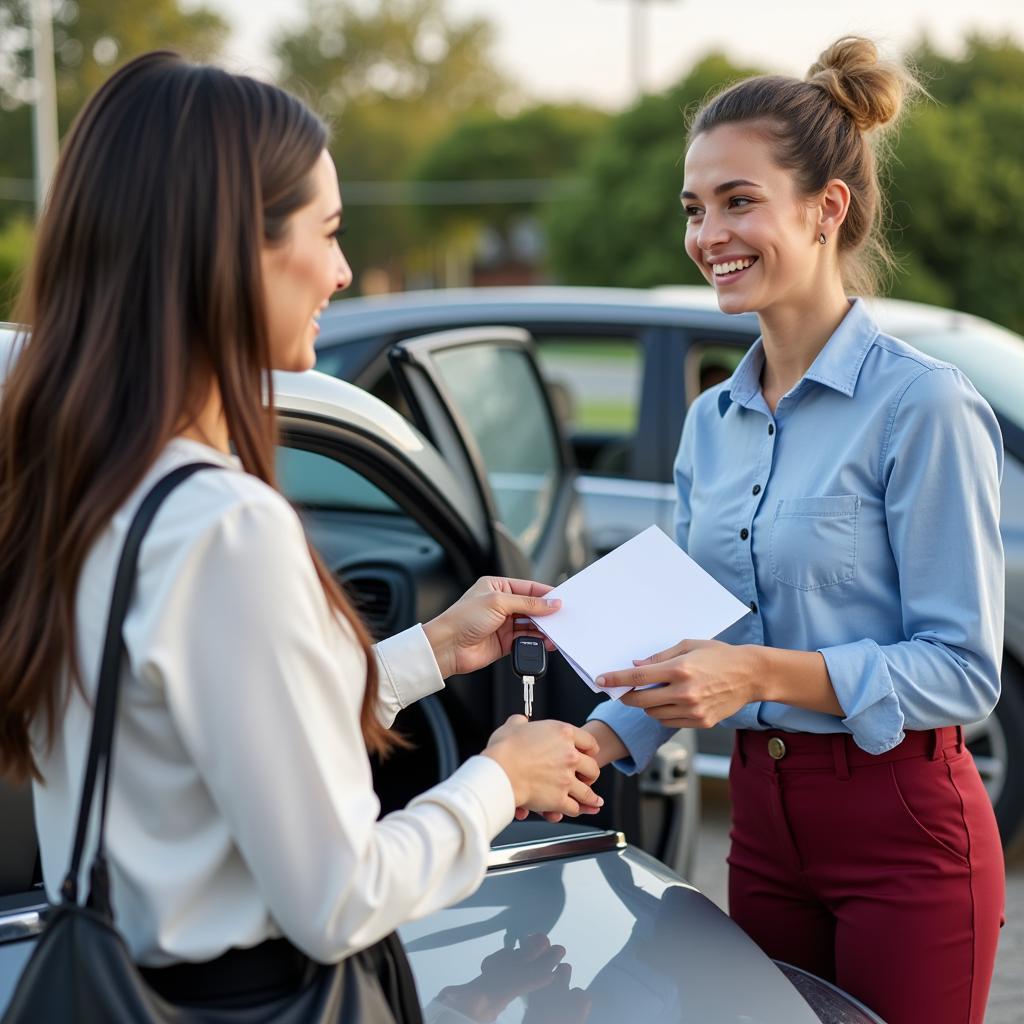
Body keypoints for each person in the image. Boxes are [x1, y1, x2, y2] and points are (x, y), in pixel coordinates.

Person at [0, 51, 603, 1013]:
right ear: (231, 249)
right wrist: (500, 777)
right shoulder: (224, 524)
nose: (344, 270)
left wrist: (429, 652)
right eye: (326, 233)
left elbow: (196, 738)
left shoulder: (87, 484)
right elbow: (340, 899)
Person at [580, 36, 1005, 1024]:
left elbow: (962, 669)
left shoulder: (921, 406)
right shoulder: (708, 422)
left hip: (903, 825)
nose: (708, 232)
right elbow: (689, 645)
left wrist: (764, 674)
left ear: (826, 209)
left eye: (737, 200)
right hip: (762, 830)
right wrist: (587, 743)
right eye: (694, 207)